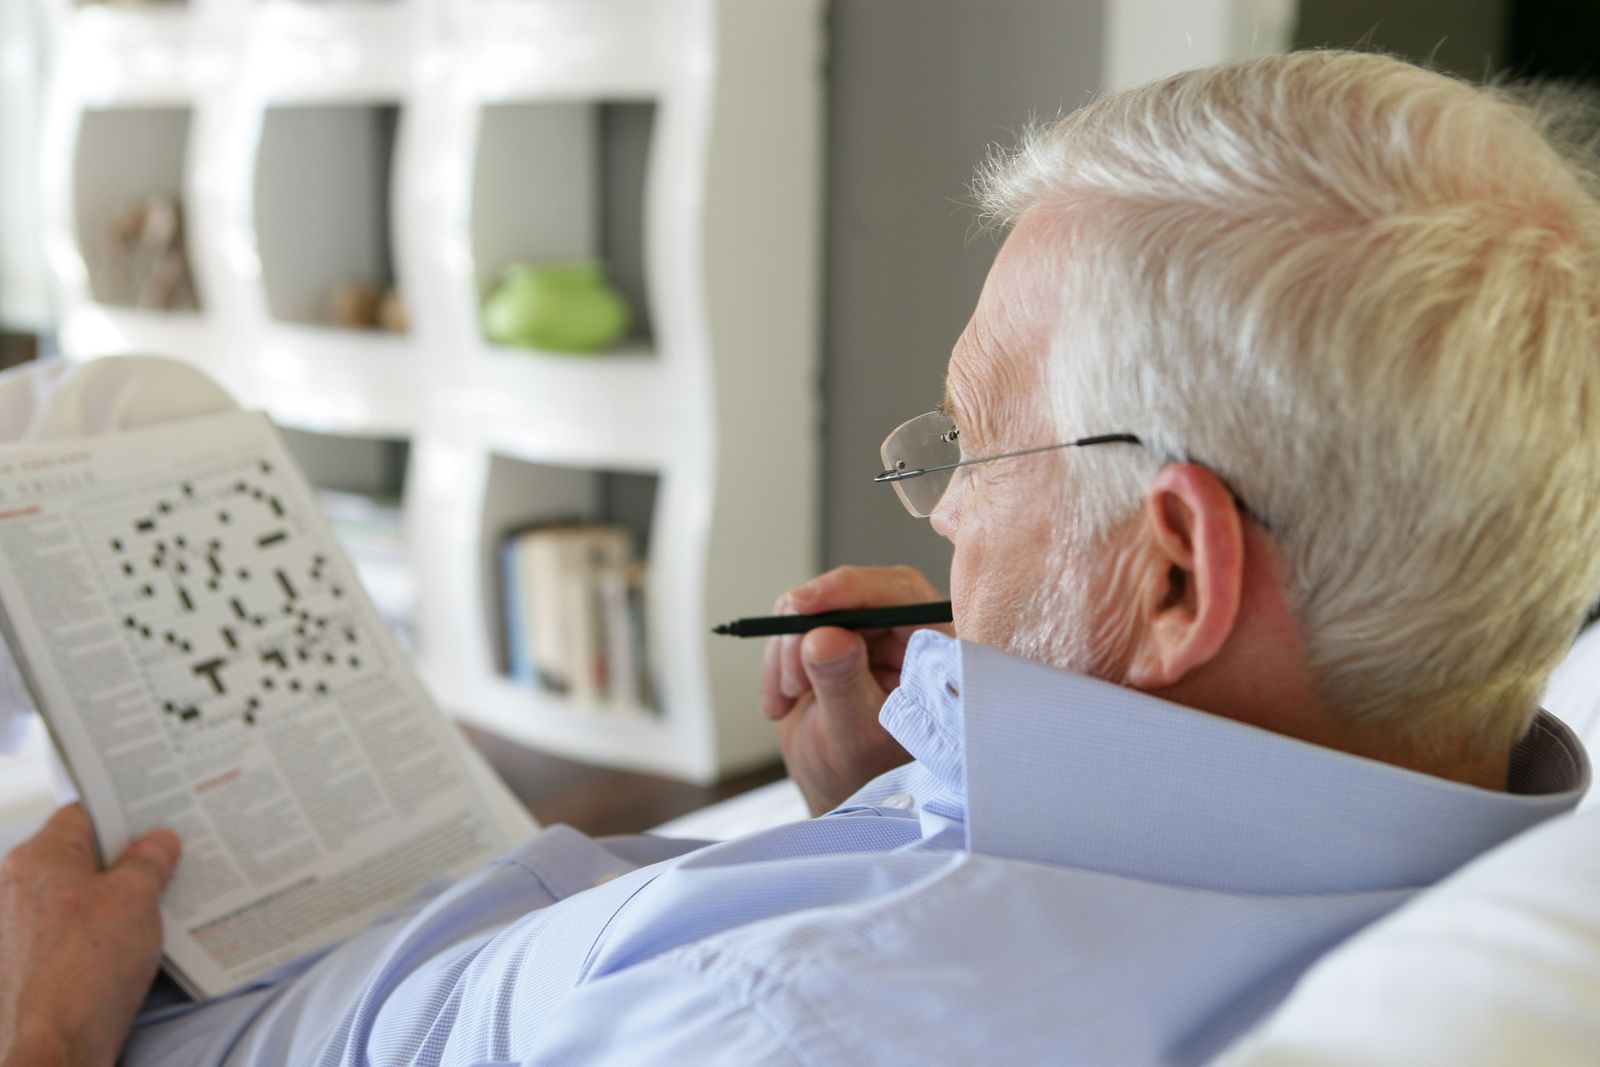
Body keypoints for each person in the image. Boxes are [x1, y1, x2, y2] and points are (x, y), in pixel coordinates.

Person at [5, 49, 1600, 1066]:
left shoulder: (780, 1027)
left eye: (976, 445)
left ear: (1174, 576)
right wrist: (898, 801)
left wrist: (42, 1031)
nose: (942, 512)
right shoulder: (1410, 784)